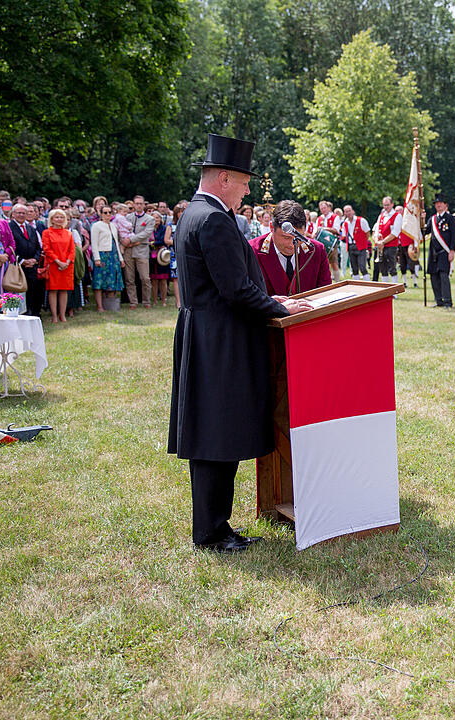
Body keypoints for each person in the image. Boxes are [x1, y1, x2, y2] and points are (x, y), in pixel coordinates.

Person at [168, 134, 312, 554]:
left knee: (215, 431)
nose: (249, 190)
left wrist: (274, 299)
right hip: (220, 340)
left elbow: (231, 283)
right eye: (245, 182)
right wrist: (282, 311)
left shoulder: (194, 213)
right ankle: (212, 530)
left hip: (209, 333)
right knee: (217, 433)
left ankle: (214, 524)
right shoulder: (212, 218)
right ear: (224, 178)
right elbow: (234, 289)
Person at [250, 199, 332, 296]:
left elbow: (326, 293)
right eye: (286, 237)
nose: (292, 244)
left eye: (299, 237)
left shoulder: (317, 250)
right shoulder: (252, 250)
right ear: (272, 227)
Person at [41, 208, 76, 323]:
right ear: (51, 219)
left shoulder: (68, 233)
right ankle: (54, 316)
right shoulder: (47, 233)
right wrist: (58, 261)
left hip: (67, 265)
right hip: (53, 264)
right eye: (57, 217)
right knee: (53, 290)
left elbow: (72, 250)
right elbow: (47, 249)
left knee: (64, 290)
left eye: (61, 217)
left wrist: (67, 262)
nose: (59, 219)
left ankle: (63, 315)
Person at [10, 203, 45, 316]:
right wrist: (21, 261)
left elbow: (38, 247)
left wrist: (34, 260)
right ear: (13, 214)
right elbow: (9, 246)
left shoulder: (31, 228)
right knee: (18, 291)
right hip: (17, 266)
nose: (21, 215)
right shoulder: (9, 227)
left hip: (32, 266)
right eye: (19, 213)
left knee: (32, 291)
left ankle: (31, 313)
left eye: (24, 213)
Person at [90, 205, 125, 311]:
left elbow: (116, 242)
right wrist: (96, 258)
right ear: (101, 214)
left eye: (110, 212)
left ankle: (110, 304)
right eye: (105, 212)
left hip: (113, 255)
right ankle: (100, 306)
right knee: (99, 281)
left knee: (112, 280)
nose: (108, 215)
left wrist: (121, 258)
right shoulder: (96, 226)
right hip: (102, 255)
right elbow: (94, 243)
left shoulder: (113, 226)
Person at [424, 193, 455, 308]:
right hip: (433, 251)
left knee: (443, 276)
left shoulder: (450, 218)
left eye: (440, 203)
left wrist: (452, 250)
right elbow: (425, 231)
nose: (438, 205)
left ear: (445, 205)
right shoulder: (432, 219)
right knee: (433, 276)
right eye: (436, 203)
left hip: (445, 251)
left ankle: (447, 301)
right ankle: (439, 300)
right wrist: (421, 220)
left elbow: (454, 235)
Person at [373, 196, 402, 284]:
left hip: (391, 246)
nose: (386, 207)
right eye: (384, 205)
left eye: (387, 205)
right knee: (383, 268)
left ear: (392, 204)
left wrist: (383, 242)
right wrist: (376, 241)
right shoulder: (381, 216)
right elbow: (376, 230)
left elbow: (395, 233)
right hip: (381, 247)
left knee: (392, 268)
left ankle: (394, 290)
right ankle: (385, 289)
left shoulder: (397, 216)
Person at [342, 205, 372, 281]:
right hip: (351, 247)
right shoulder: (345, 223)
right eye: (346, 211)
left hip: (361, 246)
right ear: (344, 213)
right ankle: (357, 284)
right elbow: (344, 235)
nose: (348, 213)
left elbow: (367, 233)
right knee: (354, 268)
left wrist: (362, 241)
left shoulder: (361, 220)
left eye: (349, 211)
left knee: (362, 267)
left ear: (353, 211)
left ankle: (367, 284)